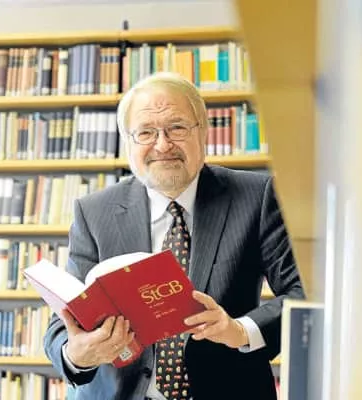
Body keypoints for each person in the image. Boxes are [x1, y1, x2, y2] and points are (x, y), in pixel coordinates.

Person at [44, 72, 304, 400]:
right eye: (146, 132)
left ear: (203, 131)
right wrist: (77, 354)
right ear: (128, 142)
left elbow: (302, 293)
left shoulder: (256, 196)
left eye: (177, 128)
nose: (163, 145)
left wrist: (239, 330)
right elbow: (65, 318)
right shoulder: (94, 211)